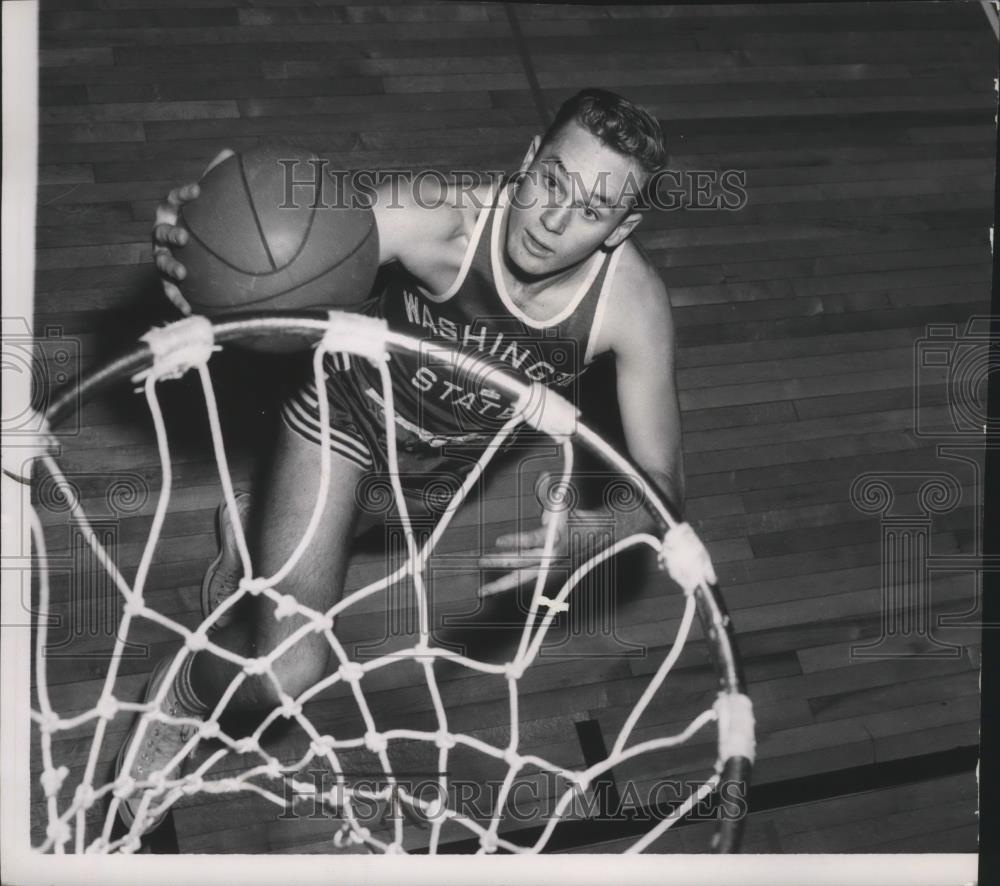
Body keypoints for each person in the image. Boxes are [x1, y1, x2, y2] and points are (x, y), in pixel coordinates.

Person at [116, 88, 686, 831]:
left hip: (439, 471)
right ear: (527, 160)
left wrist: (600, 530)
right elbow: (290, 236)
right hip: (341, 417)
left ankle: (256, 534)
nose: (552, 219)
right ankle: (182, 698)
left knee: (341, 537)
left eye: (592, 210)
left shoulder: (632, 309)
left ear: (623, 227)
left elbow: (665, 481)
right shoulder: (440, 218)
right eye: (552, 180)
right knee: (288, 668)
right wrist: (212, 243)